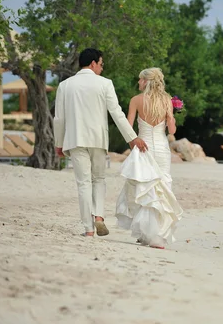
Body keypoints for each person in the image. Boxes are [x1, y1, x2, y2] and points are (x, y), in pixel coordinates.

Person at [54, 48, 148, 237]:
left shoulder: (65, 85)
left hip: (74, 139)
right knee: (99, 179)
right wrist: (132, 137)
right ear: (93, 63)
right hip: (98, 139)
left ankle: (88, 229)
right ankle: (99, 217)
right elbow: (117, 113)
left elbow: (59, 119)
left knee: (83, 183)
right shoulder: (105, 84)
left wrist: (59, 142)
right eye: (101, 64)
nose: (102, 68)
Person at [115, 67, 183, 249]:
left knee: (145, 189)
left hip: (143, 147)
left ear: (146, 81)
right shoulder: (167, 100)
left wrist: (133, 145)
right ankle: (158, 235)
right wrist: (172, 117)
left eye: (140, 79)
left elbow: (128, 127)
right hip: (161, 150)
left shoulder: (136, 100)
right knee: (161, 188)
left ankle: (148, 234)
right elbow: (172, 131)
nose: (138, 82)